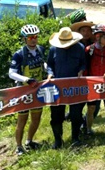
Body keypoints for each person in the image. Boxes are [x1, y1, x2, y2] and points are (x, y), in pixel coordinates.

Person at [8, 24, 53, 156]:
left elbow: (42, 63)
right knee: (22, 120)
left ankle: (29, 141)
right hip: (23, 91)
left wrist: (48, 70)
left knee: (36, 118)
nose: (33, 39)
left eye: (35, 37)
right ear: (24, 39)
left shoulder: (40, 49)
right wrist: (26, 79)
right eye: (30, 37)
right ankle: (18, 146)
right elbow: (11, 73)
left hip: (37, 89)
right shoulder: (19, 54)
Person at [47, 27, 86, 149]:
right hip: (58, 87)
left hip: (74, 86)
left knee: (76, 114)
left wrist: (81, 70)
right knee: (56, 115)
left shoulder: (80, 48)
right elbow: (49, 65)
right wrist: (50, 73)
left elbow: (84, 63)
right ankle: (58, 141)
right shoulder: (53, 49)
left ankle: (75, 138)